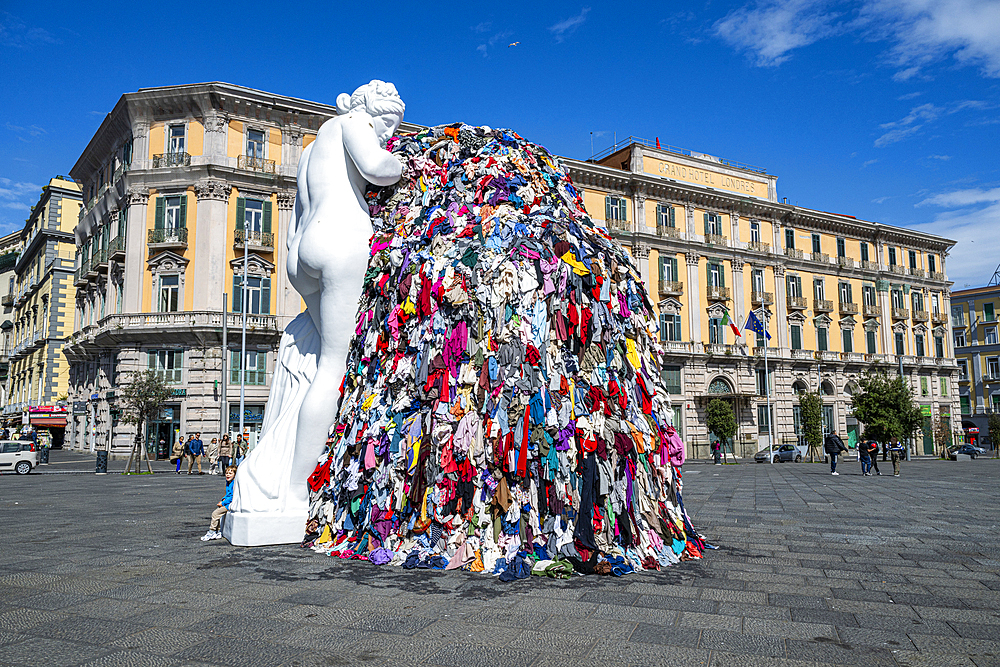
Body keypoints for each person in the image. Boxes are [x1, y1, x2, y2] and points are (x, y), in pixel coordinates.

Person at [201, 465, 237, 541]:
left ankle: (212, 531)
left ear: (235, 475)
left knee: (215, 514)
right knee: (218, 514)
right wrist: (223, 500)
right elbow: (227, 495)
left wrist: (223, 503)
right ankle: (218, 531)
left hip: (230, 504)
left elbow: (232, 497)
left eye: (230, 473)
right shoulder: (229, 482)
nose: (228, 475)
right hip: (227, 503)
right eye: (227, 473)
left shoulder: (233, 484)